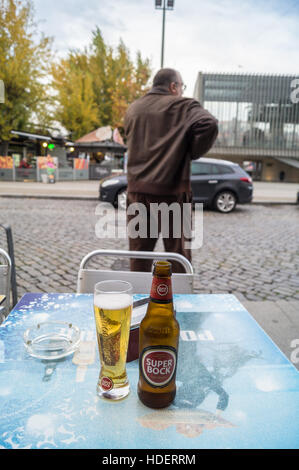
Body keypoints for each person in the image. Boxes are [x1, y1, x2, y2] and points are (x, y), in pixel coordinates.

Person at [124, 68, 218, 272]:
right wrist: (191, 151)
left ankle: (140, 300)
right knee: (178, 256)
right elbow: (209, 124)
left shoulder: (133, 109)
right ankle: (179, 300)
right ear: (173, 86)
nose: (182, 91)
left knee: (139, 254)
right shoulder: (183, 105)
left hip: (137, 192)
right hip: (172, 192)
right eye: (181, 86)